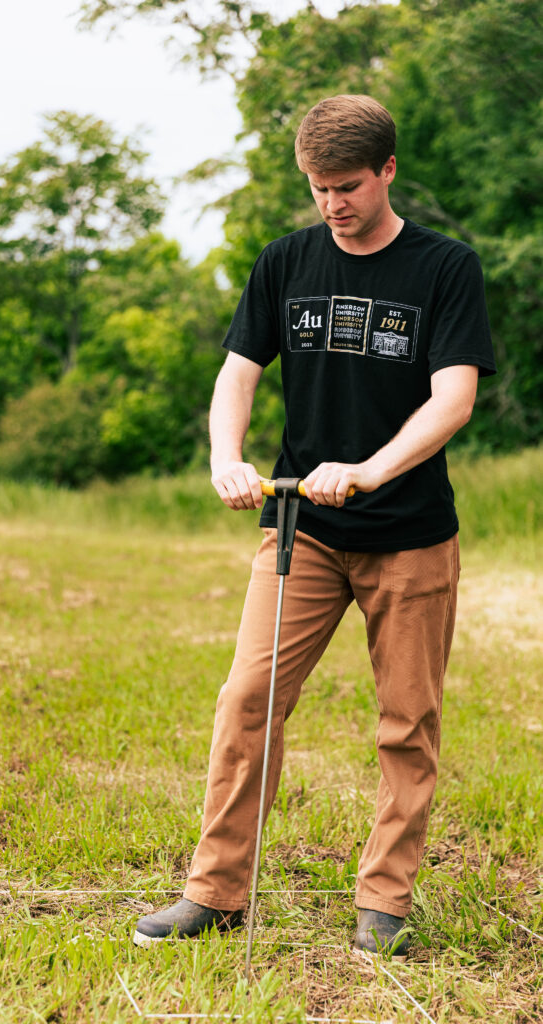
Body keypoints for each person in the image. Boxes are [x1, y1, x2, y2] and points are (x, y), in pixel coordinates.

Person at [133, 94, 496, 957]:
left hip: (409, 535)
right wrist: (227, 455)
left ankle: (384, 898)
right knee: (248, 699)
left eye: (347, 186)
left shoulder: (444, 268)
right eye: (317, 187)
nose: (332, 203)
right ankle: (215, 893)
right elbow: (237, 372)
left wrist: (370, 469)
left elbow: (455, 398)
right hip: (300, 530)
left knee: (406, 721)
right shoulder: (284, 262)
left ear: (387, 173)